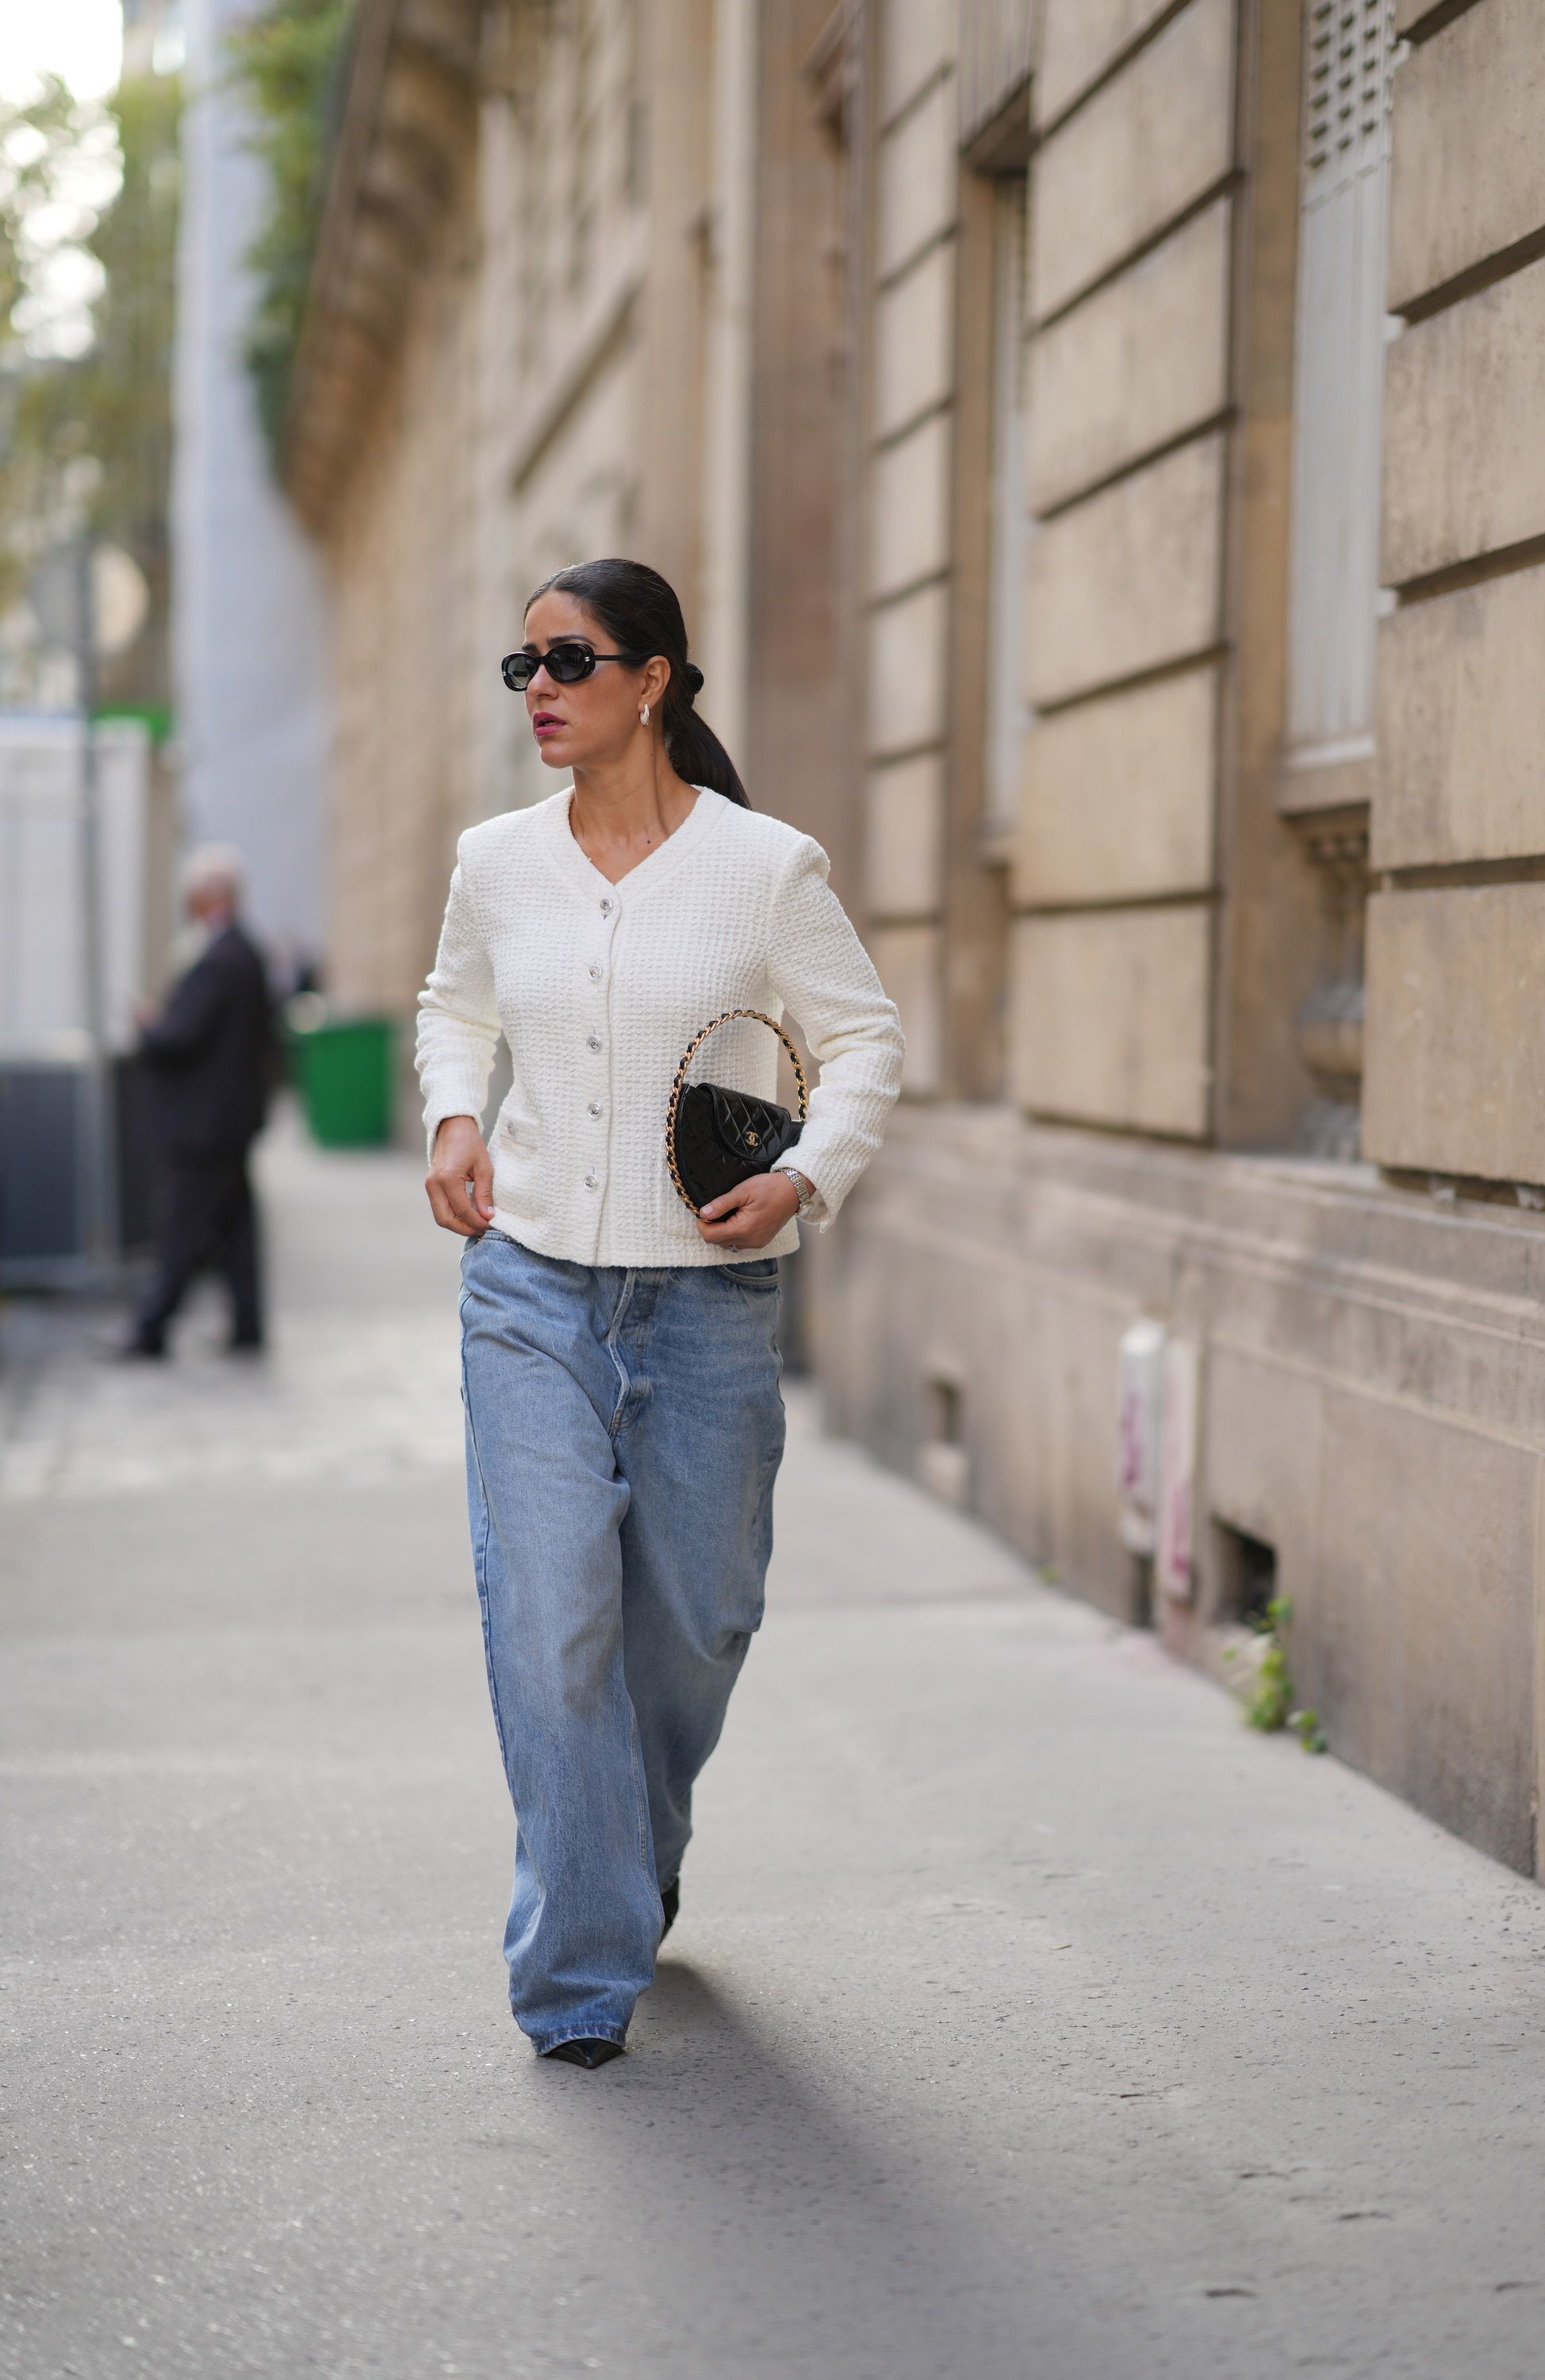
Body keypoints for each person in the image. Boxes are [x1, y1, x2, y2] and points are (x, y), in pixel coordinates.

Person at [417, 558, 903, 2068]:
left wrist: (809, 1176)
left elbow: (866, 1036)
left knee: (695, 1626)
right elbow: (458, 1004)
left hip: (707, 1312)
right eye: (524, 668)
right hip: (534, 1288)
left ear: (656, 681)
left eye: (569, 661)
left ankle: (631, 1848)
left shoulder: (766, 870)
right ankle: (577, 1973)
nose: (541, 689)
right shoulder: (497, 859)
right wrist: (453, 1116)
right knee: (553, 1622)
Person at [124, 845, 275, 1358]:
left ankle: (151, 1329)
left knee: (182, 1228)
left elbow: (179, 1036)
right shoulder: (245, 952)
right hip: (229, 1121)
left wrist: (150, 1024)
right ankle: (247, 1326)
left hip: (206, 1125)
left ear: (210, 896)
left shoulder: (219, 959)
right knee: (234, 1231)